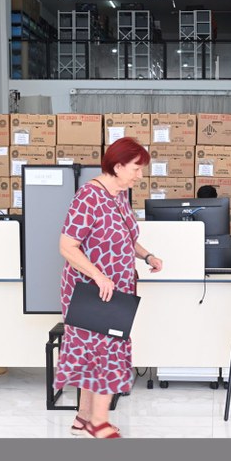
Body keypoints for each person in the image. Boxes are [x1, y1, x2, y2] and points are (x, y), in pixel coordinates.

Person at [55, 136, 163, 439]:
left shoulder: (118, 195)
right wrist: (99, 276)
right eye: (136, 169)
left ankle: (83, 419)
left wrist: (147, 255)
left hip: (116, 290)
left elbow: (125, 238)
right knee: (105, 352)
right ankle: (98, 424)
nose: (140, 176)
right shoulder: (88, 197)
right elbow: (66, 246)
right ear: (117, 166)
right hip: (92, 291)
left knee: (96, 353)